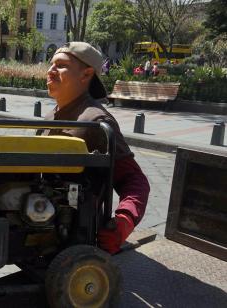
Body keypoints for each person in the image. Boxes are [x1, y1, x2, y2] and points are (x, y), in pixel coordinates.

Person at [39, 42, 150, 255]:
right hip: (41, 224)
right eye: (51, 64)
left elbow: (135, 181)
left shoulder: (97, 121)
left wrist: (123, 223)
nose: (50, 71)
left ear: (86, 74)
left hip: (73, 237)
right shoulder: (50, 116)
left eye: (61, 65)